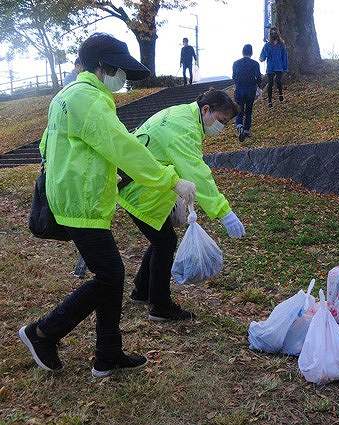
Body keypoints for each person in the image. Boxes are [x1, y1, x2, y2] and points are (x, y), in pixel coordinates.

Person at [17, 33, 197, 378]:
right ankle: (43, 333)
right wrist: (170, 179)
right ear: (102, 66)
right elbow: (123, 146)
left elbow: (48, 147)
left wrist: (95, 173)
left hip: (74, 198)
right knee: (111, 275)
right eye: (119, 70)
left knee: (110, 276)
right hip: (81, 203)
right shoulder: (90, 99)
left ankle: (109, 354)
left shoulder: (66, 96)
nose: (123, 79)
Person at [117, 89, 246, 321]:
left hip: (138, 182)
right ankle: (160, 305)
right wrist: (224, 212)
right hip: (138, 187)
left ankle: (142, 290)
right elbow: (197, 173)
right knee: (164, 241)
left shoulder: (183, 117)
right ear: (206, 109)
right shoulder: (183, 128)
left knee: (161, 239)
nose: (222, 127)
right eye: (221, 121)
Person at [232, 44, 262, 142]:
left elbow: (234, 77)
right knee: (249, 111)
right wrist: (258, 87)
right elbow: (258, 78)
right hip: (250, 90)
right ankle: (246, 130)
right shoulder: (255, 64)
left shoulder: (235, 63)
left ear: (242, 52)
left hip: (239, 90)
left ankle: (239, 126)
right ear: (251, 53)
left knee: (239, 111)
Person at [259, 28, 288, 108]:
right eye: (272, 33)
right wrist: (261, 58)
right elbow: (263, 55)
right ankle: (269, 101)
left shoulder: (281, 45)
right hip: (270, 66)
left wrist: (285, 67)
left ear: (277, 34)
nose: (274, 34)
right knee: (270, 83)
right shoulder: (267, 45)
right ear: (270, 34)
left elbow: (284, 56)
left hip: (279, 66)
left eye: (275, 33)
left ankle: (280, 94)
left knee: (278, 81)